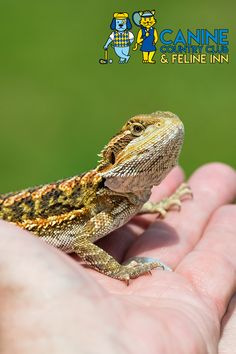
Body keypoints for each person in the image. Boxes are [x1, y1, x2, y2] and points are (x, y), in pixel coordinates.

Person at [0, 163, 235, 353]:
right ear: (114, 156)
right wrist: (119, 271)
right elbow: (81, 242)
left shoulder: (119, 196)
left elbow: (119, 207)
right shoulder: (102, 194)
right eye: (137, 130)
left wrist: (156, 205)